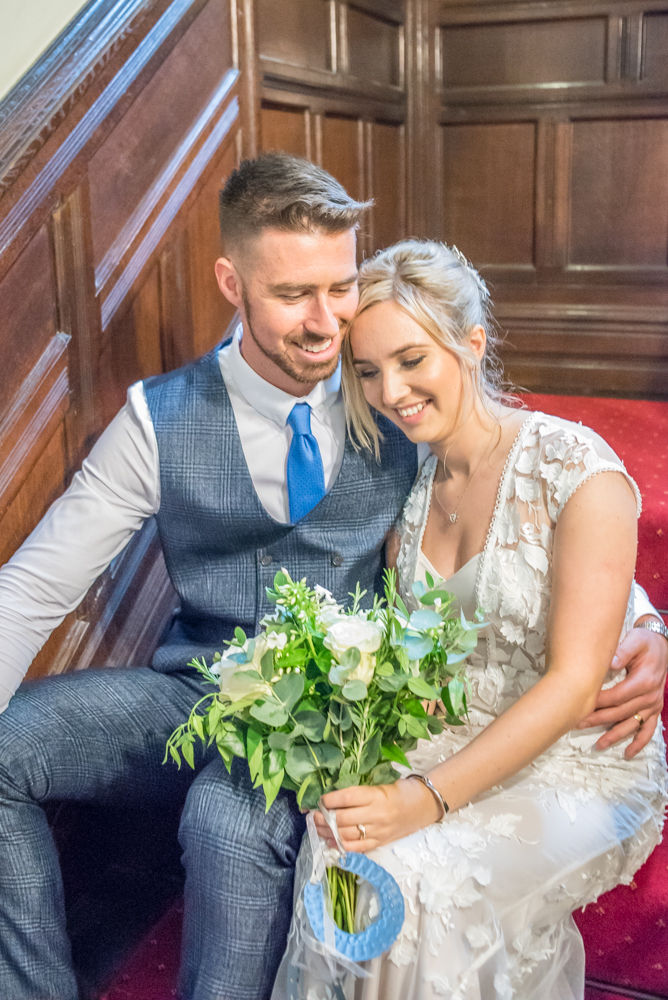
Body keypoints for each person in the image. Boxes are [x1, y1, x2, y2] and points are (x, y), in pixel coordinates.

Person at [0, 157, 663, 1000]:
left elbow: (535, 514)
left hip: (334, 712)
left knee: (225, 822)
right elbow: (31, 589)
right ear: (230, 282)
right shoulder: (157, 419)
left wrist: (648, 627)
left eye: (340, 287)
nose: (326, 325)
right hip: (192, 690)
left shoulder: (396, 404)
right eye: (292, 296)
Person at [289, 239, 668, 1000]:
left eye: (411, 359)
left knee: (417, 881)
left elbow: (572, 681)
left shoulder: (575, 469)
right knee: (339, 848)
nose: (391, 391)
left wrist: (421, 801)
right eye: (368, 371)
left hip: (581, 756)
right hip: (452, 734)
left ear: (471, 343)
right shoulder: (406, 483)